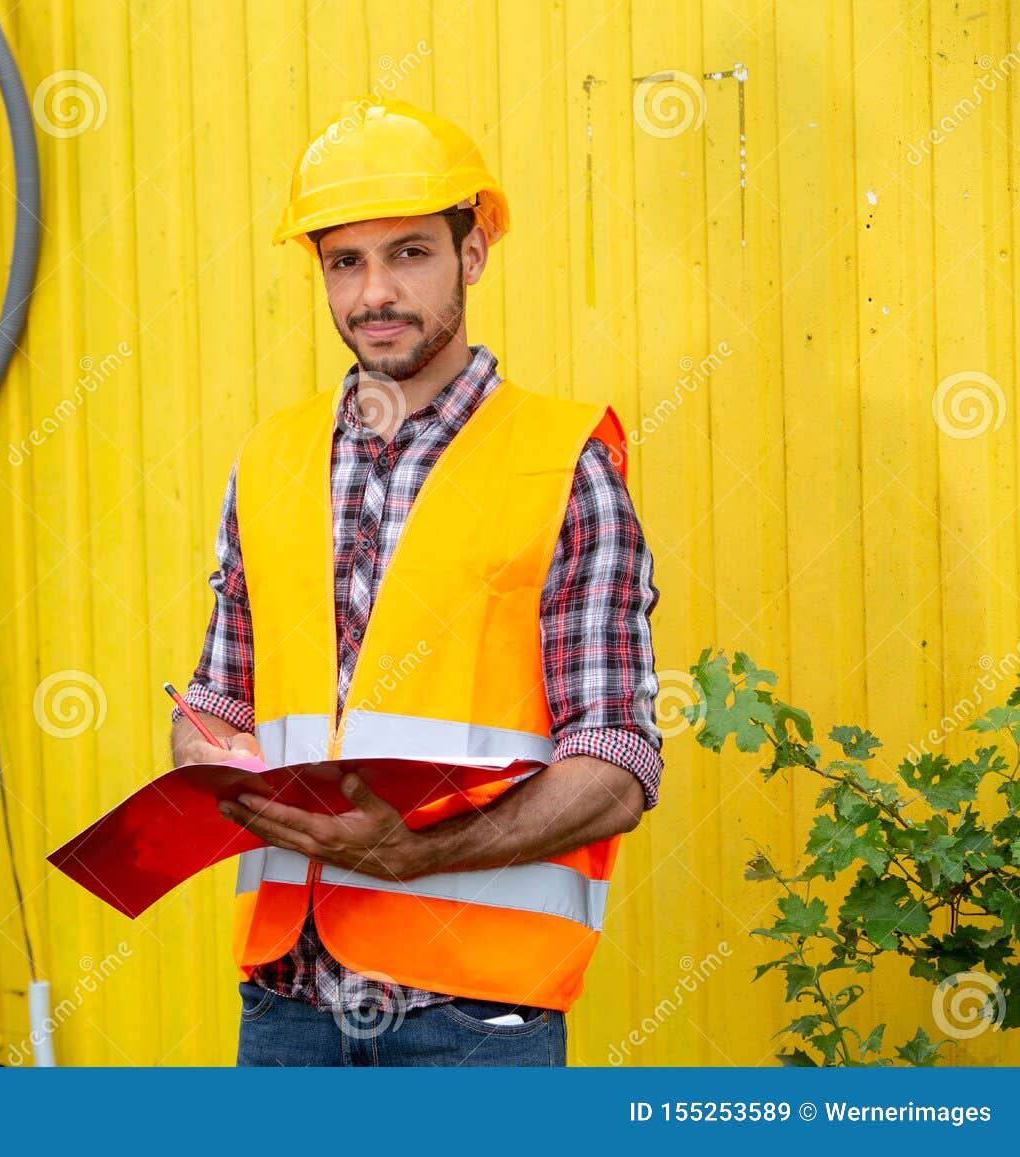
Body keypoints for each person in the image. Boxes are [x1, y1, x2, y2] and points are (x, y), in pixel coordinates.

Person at [167, 96, 664, 1067]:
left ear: (471, 253)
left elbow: (615, 764)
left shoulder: (562, 461)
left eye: (407, 253)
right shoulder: (269, 458)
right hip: (286, 1002)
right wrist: (199, 750)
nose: (373, 293)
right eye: (343, 262)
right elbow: (221, 698)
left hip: (470, 1021)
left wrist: (423, 856)